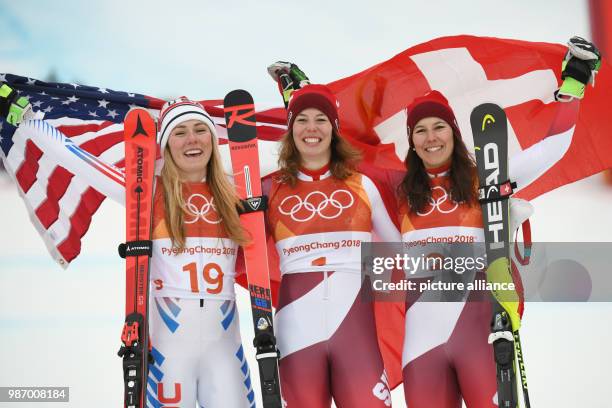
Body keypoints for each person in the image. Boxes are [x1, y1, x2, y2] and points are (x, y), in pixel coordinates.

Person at [263, 79, 401, 408]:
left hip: (355, 333)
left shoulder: (363, 185)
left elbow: (406, 252)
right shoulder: (270, 189)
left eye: (321, 119)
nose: (312, 129)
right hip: (296, 333)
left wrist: (490, 232)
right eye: (302, 120)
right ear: (291, 128)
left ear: (334, 129)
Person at [147, 97, 255, 408]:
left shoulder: (236, 192)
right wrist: (25, 122)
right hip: (169, 355)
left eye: (199, 129)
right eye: (179, 132)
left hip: (225, 354)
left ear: (213, 138)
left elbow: (305, 147)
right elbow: (83, 162)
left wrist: (296, 102)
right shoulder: (147, 192)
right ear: (166, 145)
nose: (192, 139)